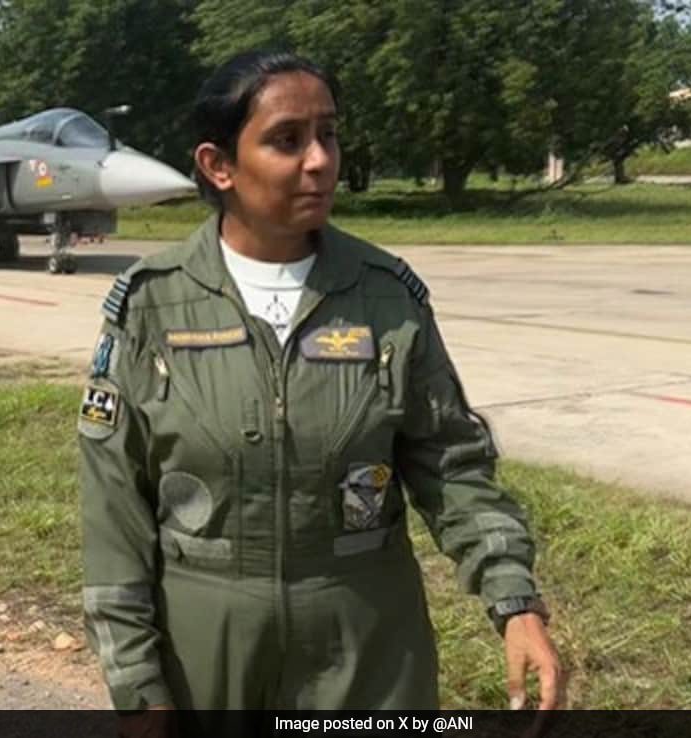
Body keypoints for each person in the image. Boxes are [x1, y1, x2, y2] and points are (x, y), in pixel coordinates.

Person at [77, 49, 565, 727]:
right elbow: (114, 510)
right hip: (207, 646)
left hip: (365, 642)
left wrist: (514, 602)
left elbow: (452, 464)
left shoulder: (385, 297)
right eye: (286, 140)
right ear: (219, 165)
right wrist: (137, 682)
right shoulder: (149, 308)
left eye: (328, 134)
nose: (319, 160)